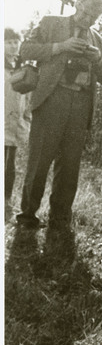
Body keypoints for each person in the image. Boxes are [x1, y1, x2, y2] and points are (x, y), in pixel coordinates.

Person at [16, 0, 102, 229]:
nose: (89, 20)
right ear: (77, 4)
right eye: (86, 13)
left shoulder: (98, 40)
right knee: (39, 161)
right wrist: (61, 46)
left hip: (80, 105)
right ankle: (27, 216)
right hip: (51, 100)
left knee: (70, 165)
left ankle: (60, 219)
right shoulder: (51, 23)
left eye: (95, 17)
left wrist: (98, 59)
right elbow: (25, 49)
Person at [4, 28, 30, 221]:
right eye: (9, 41)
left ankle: (5, 200)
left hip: (15, 122)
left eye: (16, 41)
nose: (13, 45)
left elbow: (27, 95)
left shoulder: (22, 66)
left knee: (9, 164)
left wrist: (26, 115)